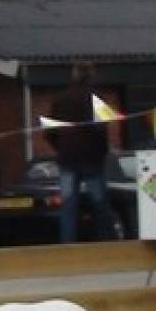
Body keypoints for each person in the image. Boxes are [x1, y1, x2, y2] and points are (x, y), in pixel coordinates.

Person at [47, 62, 120, 244]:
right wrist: (102, 152)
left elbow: (49, 132)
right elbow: (101, 130)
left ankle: (68, 245)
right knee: (100, 202)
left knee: (68, 204)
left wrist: (61, 148)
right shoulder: (97, 98)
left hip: (67, 158)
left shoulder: (60, 99)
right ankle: (108, 243)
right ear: (91, 75)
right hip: (92, 158)